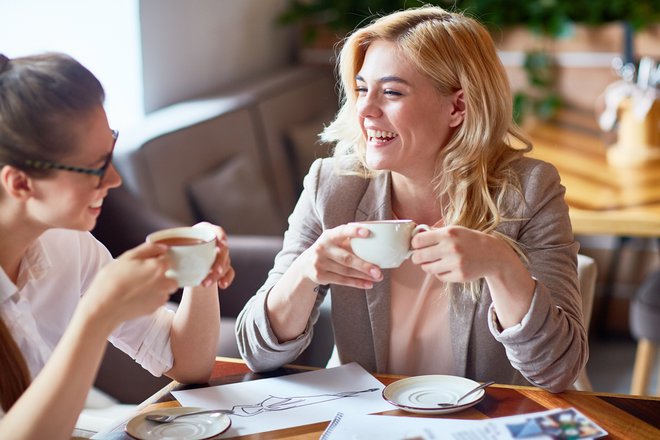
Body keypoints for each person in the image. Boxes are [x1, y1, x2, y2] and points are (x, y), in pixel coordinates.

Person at [236, 6, 587, 393]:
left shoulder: (529, 191)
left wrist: (503, 266)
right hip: (365, 420)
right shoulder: (333, 185)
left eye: (391, 92)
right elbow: (256, 352)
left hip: (478, 424)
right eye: (361, 89)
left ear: (458, 107)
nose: (366, 110)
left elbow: (559, 370)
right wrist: (305, 272)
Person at [0, 52, 235, 439]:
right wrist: (97, 316)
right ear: (20, 183)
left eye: (111, 151)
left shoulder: (66, 245)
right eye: (95, 166)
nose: (113, 179)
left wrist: (199, 268)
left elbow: (188, 364)